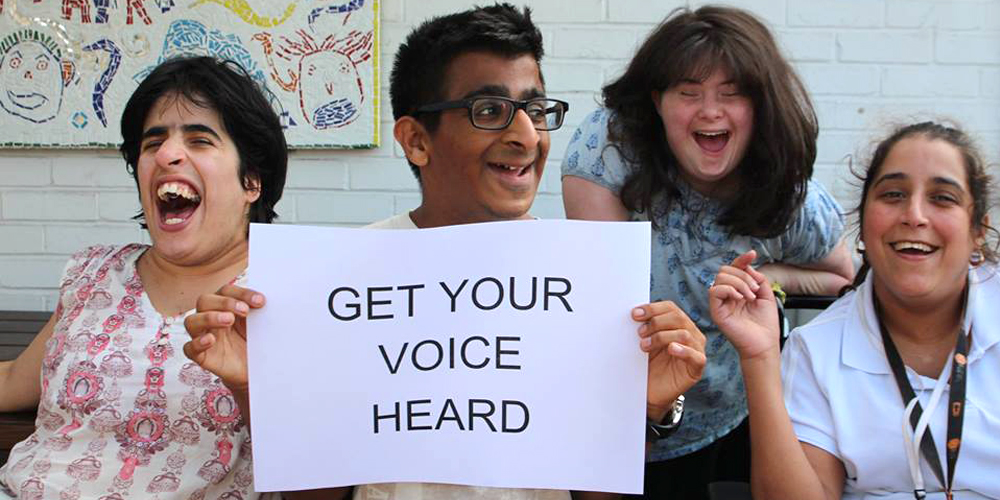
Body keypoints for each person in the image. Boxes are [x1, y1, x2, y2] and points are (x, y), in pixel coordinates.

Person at [182, 4, 707, 500]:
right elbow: (313, 493)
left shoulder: (582, 282)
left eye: (535, 109)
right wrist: (258, 385)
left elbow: (600, 493)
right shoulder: (342, 278)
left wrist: (648, 406)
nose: (527, 135)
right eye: (490, 110)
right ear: (416, 141)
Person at [559, 6, 855, 497]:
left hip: (734, 411)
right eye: (689, 93)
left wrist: (768, 279)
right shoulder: (607, 149)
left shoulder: (790, 194)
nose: (710, 111)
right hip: (629, 413)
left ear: (760, 106)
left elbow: (840, 276)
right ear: (657, 101)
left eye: (731, 94)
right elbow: (604, 312)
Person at [0, 55, 288, 499]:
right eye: (153, 143)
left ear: (252, 181)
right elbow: (13, 380)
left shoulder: (288, 289)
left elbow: (320, 464)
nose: (169, 154)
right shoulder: (93, 273)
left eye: (199, 139)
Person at [710, 121, 999, 499]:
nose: (914, 215)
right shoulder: (815, 348)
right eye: (893, 194)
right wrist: (760, 357)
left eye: (943, 198)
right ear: (863, 224)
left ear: (978, 229)